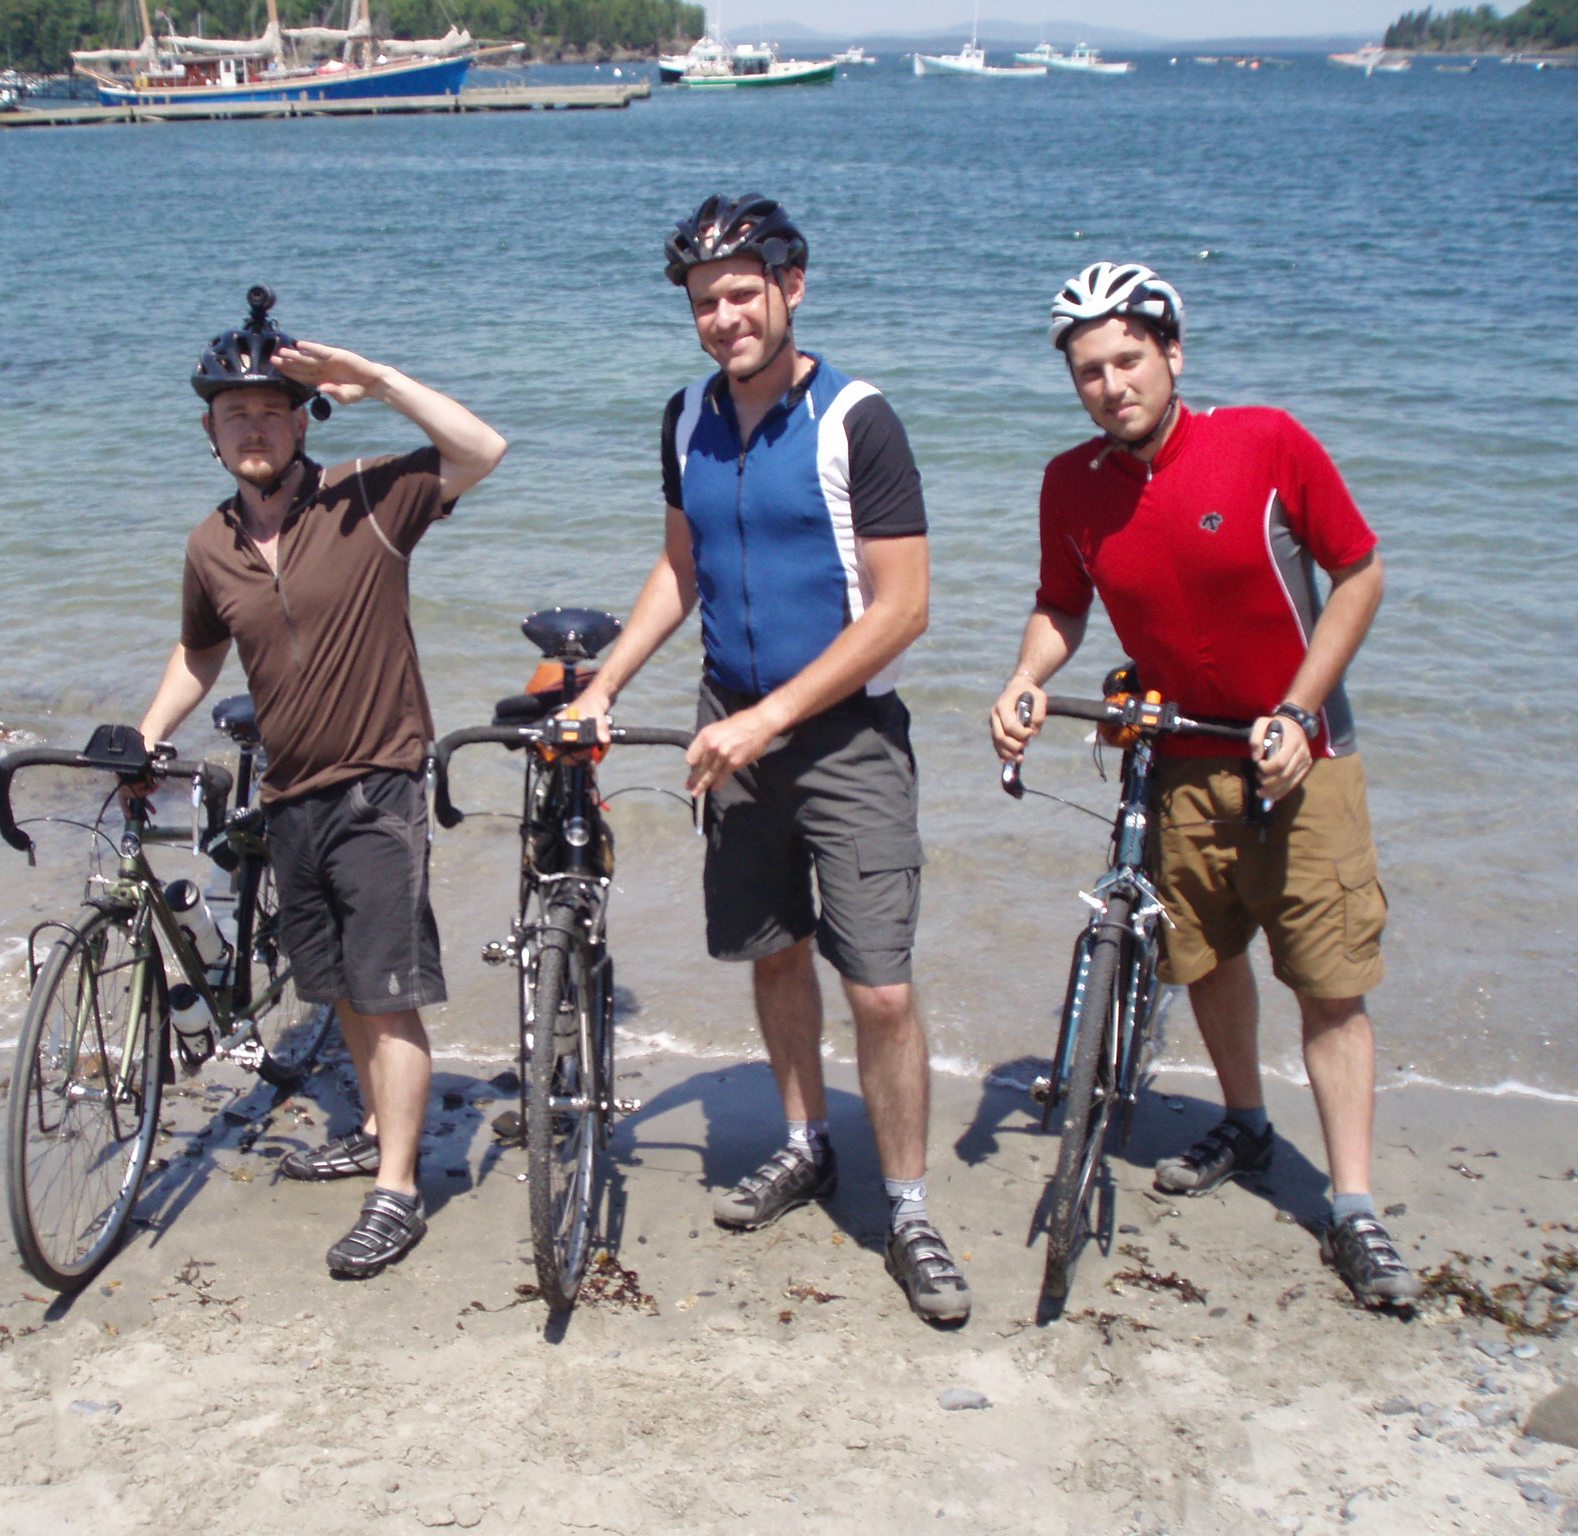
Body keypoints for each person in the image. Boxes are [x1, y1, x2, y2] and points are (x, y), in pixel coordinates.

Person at [987, 260, 1419, 1309]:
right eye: (1088, 371)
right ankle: (1244, 1120)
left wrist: (1300, 709)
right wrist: (1022, 678)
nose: (1109, 385)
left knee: (1325, 980)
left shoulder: (1263, 442)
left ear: (1171, 355)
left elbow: (1357, 572)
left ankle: (1352, 1206)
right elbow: (1061, 603)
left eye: (1127, 360)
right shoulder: (1071, 482)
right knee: (1204, 956)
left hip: (1298, 757)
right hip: (1174, 755)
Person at [567, 195, 968, 1323]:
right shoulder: (685, 416)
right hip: (727, 726)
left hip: (842, 739)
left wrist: (769, 718)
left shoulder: (856, 420)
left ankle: (907, 1205)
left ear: (793, 287)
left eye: (744, 292)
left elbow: (902, 611)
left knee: (879, 987)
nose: (724, 317)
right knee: (773, 950)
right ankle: (803, 1144)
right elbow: (677, 572)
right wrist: (604, 687)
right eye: (704, 302)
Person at [134, 286, 506, 1278]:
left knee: (386, 995)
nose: (251, 427)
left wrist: (379, 381)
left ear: (303, 420)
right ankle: (380, 1131)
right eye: (232, 414)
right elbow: (197, 655)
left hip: (379, 777)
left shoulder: (368, 496)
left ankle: (397, 1192)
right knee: (338, 981)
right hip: (291, 791)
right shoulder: (209, 544)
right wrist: (142, 732)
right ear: (210, 434)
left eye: (269, 410)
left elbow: (482, 449)